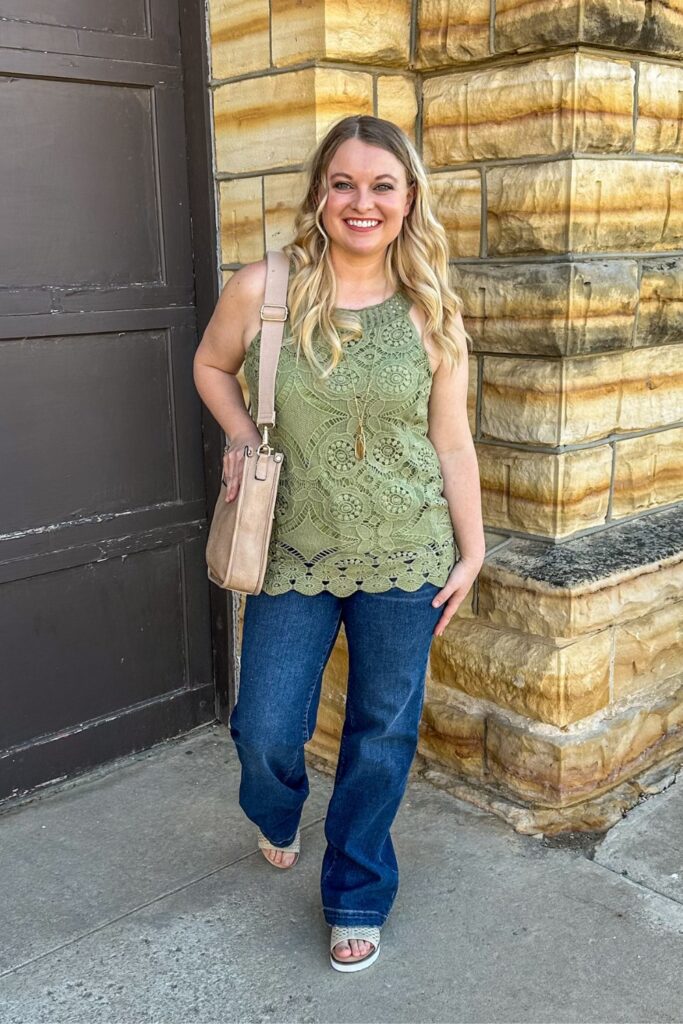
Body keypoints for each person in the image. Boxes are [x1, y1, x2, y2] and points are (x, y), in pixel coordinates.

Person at [193, 115, 485, 972]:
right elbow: (211, 366)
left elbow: (452, 443)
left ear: (407, 199)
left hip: (408, 552)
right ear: (321, 192)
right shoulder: (266, 289)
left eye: (382, 185)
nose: (362, 202)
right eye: (345, 183)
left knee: (380, 734)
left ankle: (356, 890)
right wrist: (244, 436)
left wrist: (472, 553)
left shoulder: (431, 306)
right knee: (265, 727)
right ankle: (278, 811)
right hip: (293, 549)